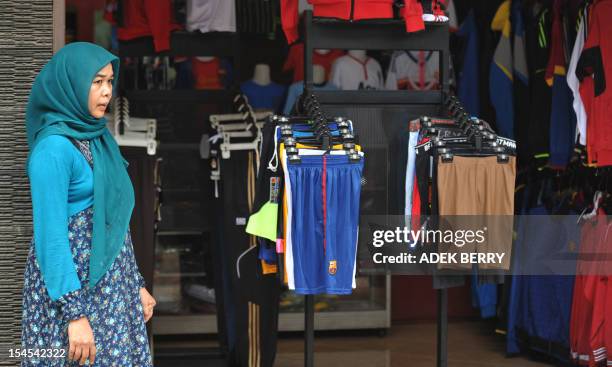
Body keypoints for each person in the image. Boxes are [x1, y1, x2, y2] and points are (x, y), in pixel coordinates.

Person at [21, 42, 156, 366]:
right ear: (72, 84)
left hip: (110, 294)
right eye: (96, 82)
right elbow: (50, 238)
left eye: (109, 81)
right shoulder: (53, 149)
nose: (106, 91)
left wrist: (134, 283)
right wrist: (74, 315)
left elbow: (113, 222)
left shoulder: (96, 137)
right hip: (71, 299)